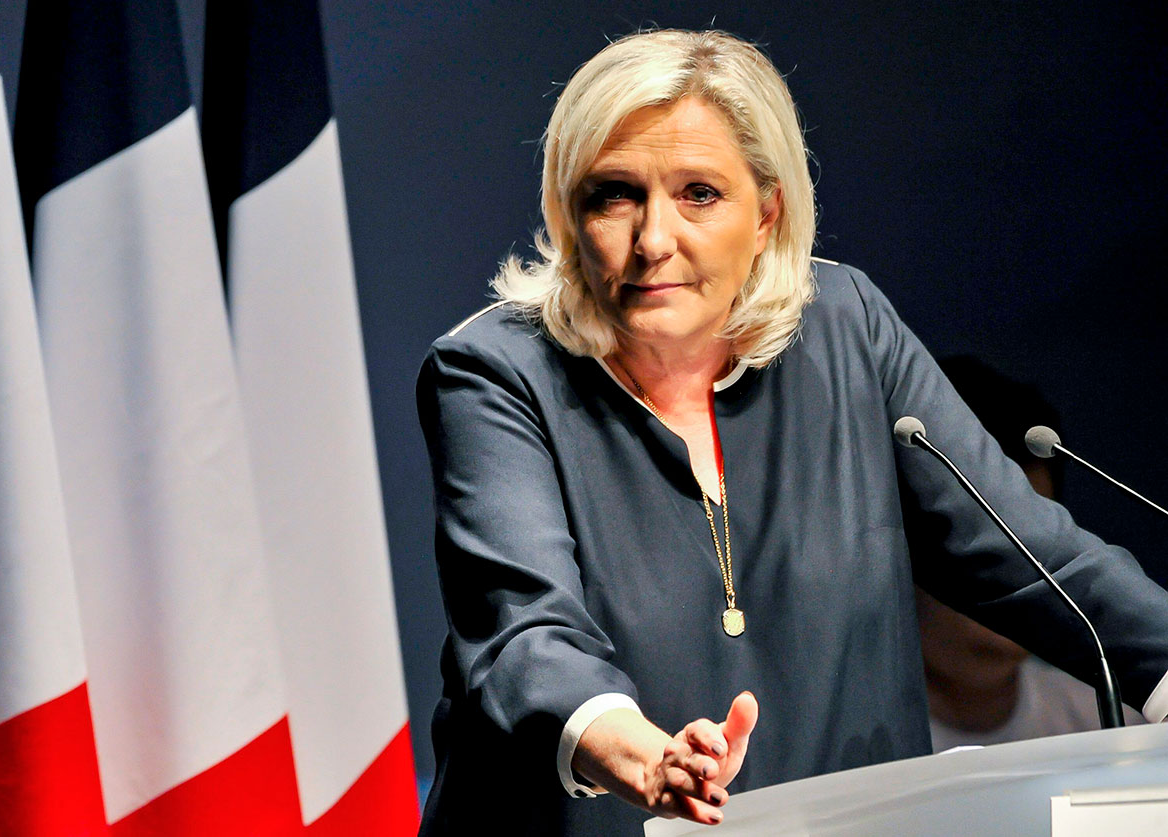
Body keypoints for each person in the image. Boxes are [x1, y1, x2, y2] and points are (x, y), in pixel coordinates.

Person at [415, 29, 1168, 836]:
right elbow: (525, 633)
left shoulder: (848, 328)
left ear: (767, 211)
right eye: (614, 195)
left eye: (699, 193)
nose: (654, 240)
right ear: (569, 213)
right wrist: (646, 757)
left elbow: (1038, 561)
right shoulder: (495, 370)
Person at [916, 357, 1145, 751]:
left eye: (1035, 531)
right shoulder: (833, 747)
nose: (1020, 561)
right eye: (987, 530)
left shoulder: (1116, 730)